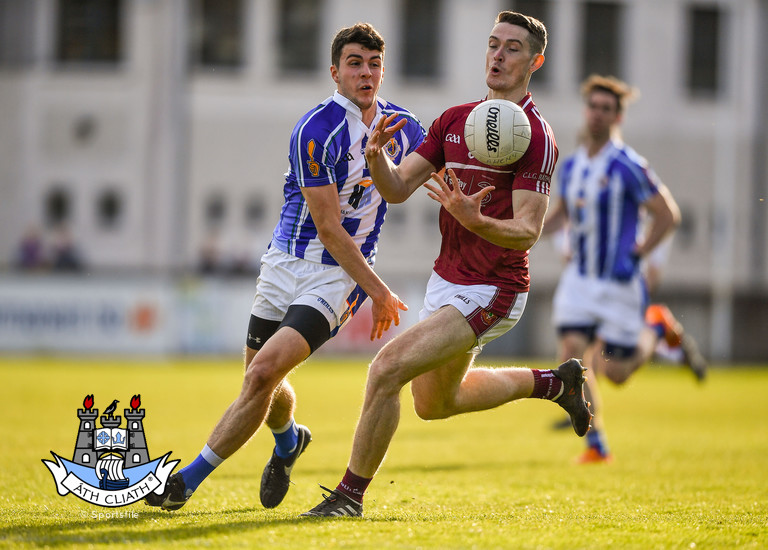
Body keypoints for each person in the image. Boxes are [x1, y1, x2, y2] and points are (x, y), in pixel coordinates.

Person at [302, 11, 591, 518]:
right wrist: (376, 161)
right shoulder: (455, 120)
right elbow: (395, 190)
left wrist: (471, 219)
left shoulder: (537, 138)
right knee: (433, 404)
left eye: (513, 49)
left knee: (386, 369)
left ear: (535, 62)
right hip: (446, 279)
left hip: (494, 289)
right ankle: (555, 383)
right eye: (493, 44)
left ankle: (348, 498)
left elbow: (527, 231)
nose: (498, 56)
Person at [145, 22, 425, 511]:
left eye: (374, 64)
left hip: (336, 276)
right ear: (334, 71)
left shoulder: (405, 126)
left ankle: (184, 482)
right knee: (261, 382)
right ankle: (289, 441)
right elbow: (328, 226)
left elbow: (418, 181)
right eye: (355, 63)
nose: (366, 73)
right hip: (284, 263)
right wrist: (382, 291)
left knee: (260, 377)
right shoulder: (315, 130)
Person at [542, 74, 693, 463]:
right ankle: (597, 445)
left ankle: (655, 326)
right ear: (585, 110)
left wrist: (640, 252)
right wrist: (520, 231)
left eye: (606, 109)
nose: (597, 114)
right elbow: (560, 216)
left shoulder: (629, 165)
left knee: (617, 373)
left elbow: (667, 214)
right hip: (579, 280)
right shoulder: (573, 166)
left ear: (617, 118)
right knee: (571, 359)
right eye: (592, 106)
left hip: (619, 283)